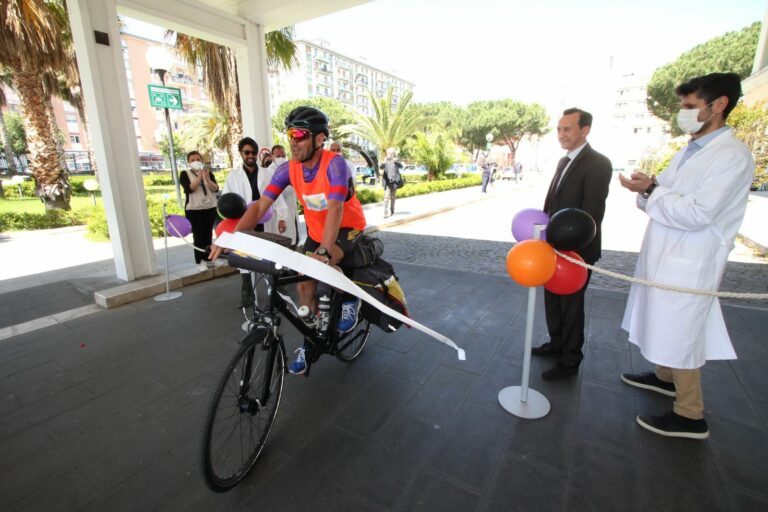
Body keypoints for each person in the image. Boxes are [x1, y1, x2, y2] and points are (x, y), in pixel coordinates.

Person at [618, 73, 754, 440]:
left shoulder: (731, 156)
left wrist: (654, 191)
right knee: (663, 320)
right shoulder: (690, 149)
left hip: (692, 261)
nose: (683, 113)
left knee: (681, 331)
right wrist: (647, 189)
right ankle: (665, 378)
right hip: (666, 254)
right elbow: (663, 195)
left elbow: (698, 213)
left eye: (690, 106)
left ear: (719, 104)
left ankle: (690, 413)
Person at [210, 106, 367, 375]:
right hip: (317, 233)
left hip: (346, 228)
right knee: (304, 290)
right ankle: (311, 340)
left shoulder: (335, 164)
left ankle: (351, 296)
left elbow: (335, 209)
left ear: (319, 139)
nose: (293, 141)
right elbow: (260, 207)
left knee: (325, 265)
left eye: (300, 134)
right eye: (289, 135)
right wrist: (231, 237)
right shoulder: (288, 169)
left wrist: (325, 252)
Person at [532, 108, 612, 380]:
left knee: (571, 307)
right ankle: (556, 344)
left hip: (577, 251)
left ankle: (570, 360)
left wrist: (570, 246)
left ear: (585, 130)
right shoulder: (563, 162)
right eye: (559, 129)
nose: (561, 134)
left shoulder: (598, 163)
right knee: (552, 301)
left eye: (567, 129)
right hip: (554, 247)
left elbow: (592, 214)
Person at [179, 150, 219, 272]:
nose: (196, 161)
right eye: (193, 160)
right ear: (188, 162)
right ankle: (200, 261)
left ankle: (209, 258)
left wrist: (207, 179)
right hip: (194, 209)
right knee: (199, 236)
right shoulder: (185, 174)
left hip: (209, 207)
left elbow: (215, 188)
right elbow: (189, 188)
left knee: (208, 235)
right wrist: (199, 178)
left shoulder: (208, 173)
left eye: (198, 159)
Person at [379, 147, 402, 218]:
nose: (391, 155)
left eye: (392, 153)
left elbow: (401, 166)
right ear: (387, 154)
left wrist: (396, 162)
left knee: (393, 197)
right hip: (387, 183)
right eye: (389, 153)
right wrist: (384, 162)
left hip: (394, 182)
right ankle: (385, 213)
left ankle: (392, 211)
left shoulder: (396, 160)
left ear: (394, 154)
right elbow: (381, 167)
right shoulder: (385, 160)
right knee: (386, 198)